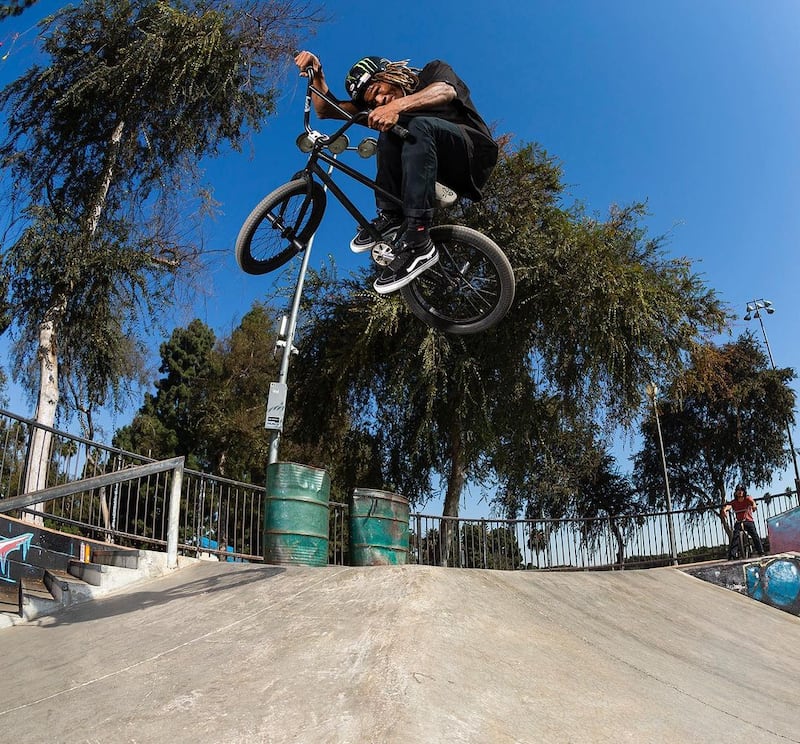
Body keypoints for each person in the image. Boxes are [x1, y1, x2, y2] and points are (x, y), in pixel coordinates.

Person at [293, 51, 498, 295]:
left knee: (416, 124)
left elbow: (445, 91)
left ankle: (419, 243)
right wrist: (317, 72)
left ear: (390, 75)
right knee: (388, 131)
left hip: (471, 154)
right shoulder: (381, 109)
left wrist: (397, 107)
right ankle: (392, 215)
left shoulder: (433, 71)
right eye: (373, 102)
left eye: (378, 90)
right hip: (431, 167)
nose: (379, 101)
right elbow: (327, 110)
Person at [722, 484, 765, 558]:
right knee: (735, 536)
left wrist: (754, 506)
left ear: (744, 491)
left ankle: (761, 552)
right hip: (739, 522)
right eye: (738, 490)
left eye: (741, 490)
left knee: (754, 535)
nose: (740, 492)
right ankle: (732, 555)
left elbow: (752, 502)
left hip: (748, 521)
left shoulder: (747, 498)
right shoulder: (734, 502)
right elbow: (729, 506)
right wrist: (725, 510)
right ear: (735, 492)